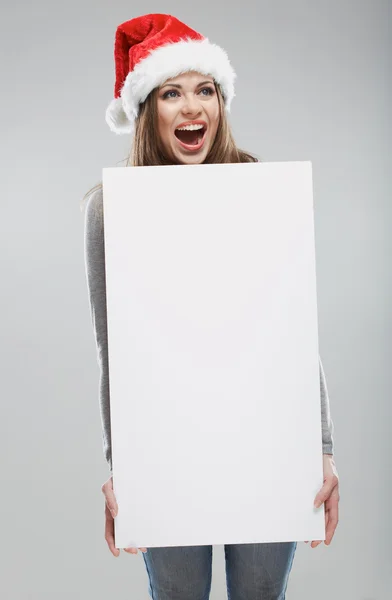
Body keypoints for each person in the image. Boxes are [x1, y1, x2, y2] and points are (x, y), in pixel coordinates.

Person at [83, 13, 340, 600]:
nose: (191, 107)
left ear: (221, 104)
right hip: (165, 452)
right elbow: (111, 350)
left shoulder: (261, 190)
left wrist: (321, 451)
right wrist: (121, 467)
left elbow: (297, 334)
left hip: (267, 444)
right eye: (172, 92)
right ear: (149, 110)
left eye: (205, 90)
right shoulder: (111, 209)